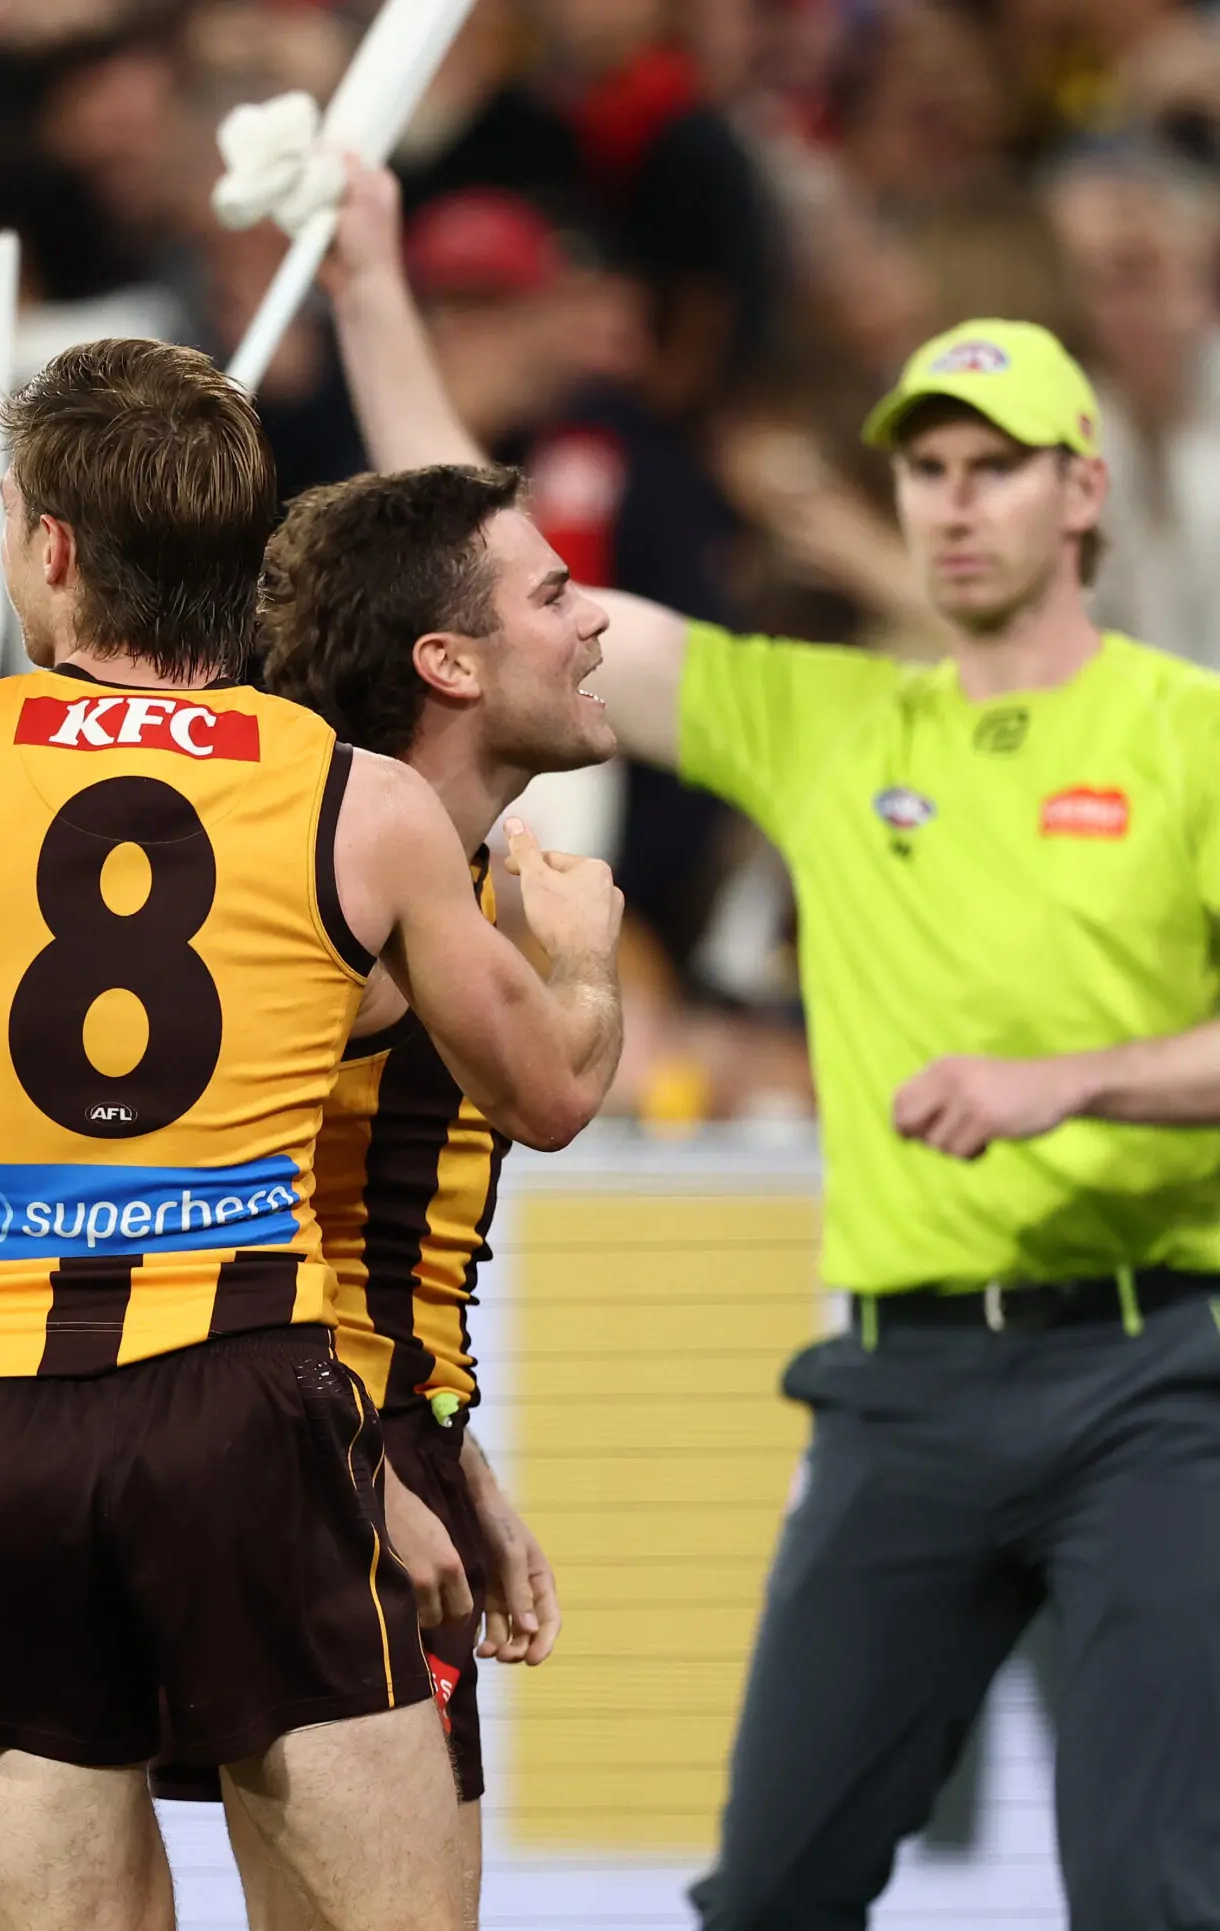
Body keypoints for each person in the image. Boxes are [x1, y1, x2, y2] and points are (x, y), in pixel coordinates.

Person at [325, 150, 1220, 1930]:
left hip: (1157, 1380)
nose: (954, 504)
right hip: (901, 1385)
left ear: (1084, 494)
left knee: (1148, 1892)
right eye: (929, 470)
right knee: (771, 1897)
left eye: (995, 470)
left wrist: (1076, 1081)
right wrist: (363, 282)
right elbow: (496, 591)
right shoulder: (820, 718)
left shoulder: (1188, 731)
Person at [0, 336, 626, 1931]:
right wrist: (585, 954)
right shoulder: (352, 801)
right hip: (248, 1391)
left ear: (53, 552)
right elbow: (545, 1092)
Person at [151, 460, 609, 1927]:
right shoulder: (345, 890)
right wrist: (351, 1457)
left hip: (345, 1428)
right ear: (447, 662)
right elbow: (202, 1180)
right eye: (550, 593)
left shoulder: (411, 867)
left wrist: (444, 1439)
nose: (590, 620)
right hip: (300, 1444)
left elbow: (361, 1203)